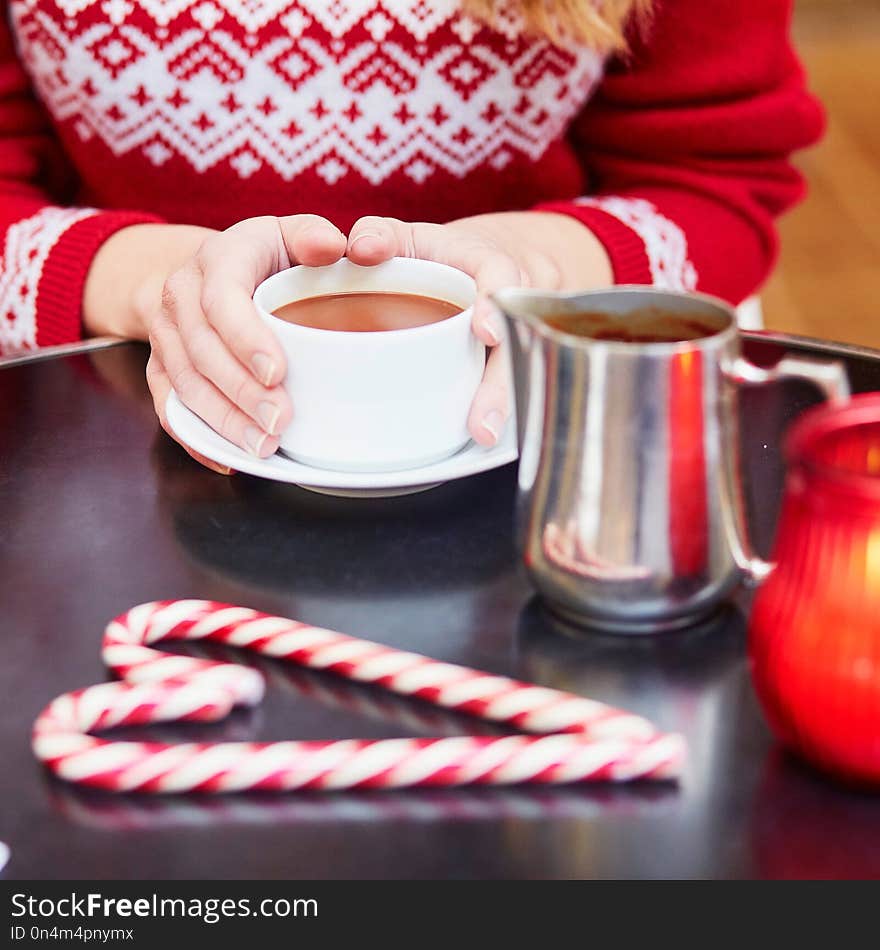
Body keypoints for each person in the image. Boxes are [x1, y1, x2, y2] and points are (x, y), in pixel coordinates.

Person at [0, 0, 822, 471]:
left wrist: (533, 270)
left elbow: (714, 179)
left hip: (544, 454)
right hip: (90, 454)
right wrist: (161, 286)